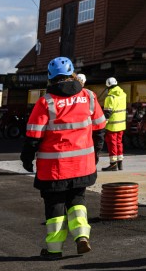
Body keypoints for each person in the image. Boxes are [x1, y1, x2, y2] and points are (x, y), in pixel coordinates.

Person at [20, 56, 106, 259]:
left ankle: (54, 250)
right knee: (77, 200)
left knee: (55, 207)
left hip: (54, 169)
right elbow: (100, 129)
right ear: (72, 74)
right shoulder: (90, 97)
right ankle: (82, 236)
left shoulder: (46, 102)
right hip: (82, 166)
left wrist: (26, 159)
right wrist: (96, 154)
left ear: (50, 77)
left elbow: (33, 136)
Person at [102, 77, 128, 171]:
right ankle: (120, 163)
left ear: (108, 86)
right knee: (119, 142)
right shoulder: (123, 95)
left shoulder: (110, 97)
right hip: (121, 124)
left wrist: (103, 124)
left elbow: (107, 114)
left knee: (112, 143)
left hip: (112, 125)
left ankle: (113, 164)